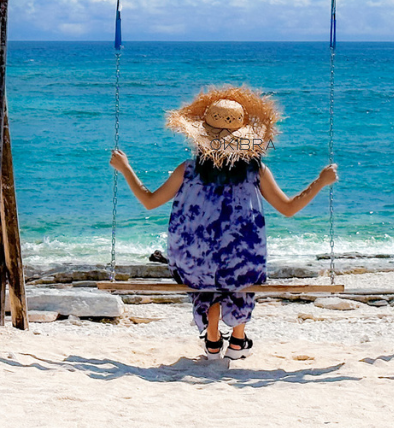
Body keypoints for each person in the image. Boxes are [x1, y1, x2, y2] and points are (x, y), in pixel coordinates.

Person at [108, 84, 338, 360]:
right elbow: (288, 208)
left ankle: (213, 338)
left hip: (193, 261)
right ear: (245, 138)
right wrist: (321, 181)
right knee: (244, 261)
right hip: (241, 264)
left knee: (207, 266)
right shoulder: (255, 171)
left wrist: (125, 169)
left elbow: (149, 201)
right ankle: (238, 340)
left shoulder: (188, 169)